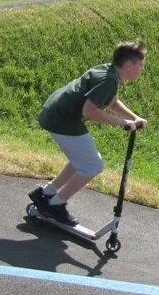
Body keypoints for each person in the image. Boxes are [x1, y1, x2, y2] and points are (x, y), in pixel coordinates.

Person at [30, 41, 149, 225]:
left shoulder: (109, 72)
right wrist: (123, 123)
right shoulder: (109, 80)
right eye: (141, 65)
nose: (142, 69)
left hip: (56, 113)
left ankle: (46, 193)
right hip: (62, 119)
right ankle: (54, 205)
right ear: (128, 65)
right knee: (93, 165)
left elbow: (111, 102)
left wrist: (134, 118)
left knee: (82, 161)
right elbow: (89, 111)